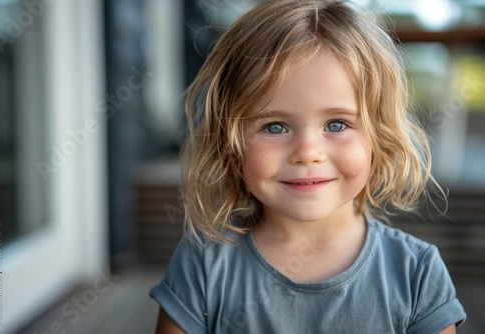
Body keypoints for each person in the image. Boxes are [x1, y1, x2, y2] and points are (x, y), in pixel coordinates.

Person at [150, 0, 466, 333]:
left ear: (379, 135)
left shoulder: (417, 274)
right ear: (230, 140)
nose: (307, 152)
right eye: (275, 126)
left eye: (336, 124)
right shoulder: (202, 265)